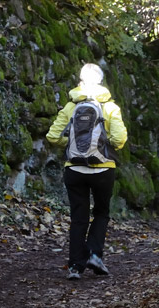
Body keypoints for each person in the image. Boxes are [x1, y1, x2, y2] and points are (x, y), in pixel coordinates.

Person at [46, 63, 128, 280]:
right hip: (103, 169)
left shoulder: (70, 107)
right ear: (101, 82)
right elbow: (119, 140)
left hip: (74, 169)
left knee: (78, 217)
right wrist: (104, 144)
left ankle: (75, 267)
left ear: (81, 81)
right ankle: (94, 254)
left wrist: (70, 142)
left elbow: (52, 137)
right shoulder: (110, 108)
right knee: (101, 212)